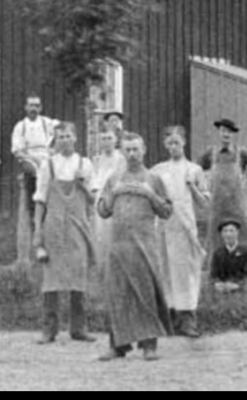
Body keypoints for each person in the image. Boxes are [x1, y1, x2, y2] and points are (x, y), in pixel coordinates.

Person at [95, 132, 173, 362]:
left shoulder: (154, 179)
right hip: (119, 247)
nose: (131, 154)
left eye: (135, 149)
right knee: (118, 296)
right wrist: (113, 193)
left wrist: (151, 195)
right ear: (122, 151)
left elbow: (167, 211)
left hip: (145, 247)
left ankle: (149, 346)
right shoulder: (114, 178)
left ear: (144, 150)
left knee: (145, 293)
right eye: (127, 149)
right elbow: (102, 210)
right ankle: (118, 346)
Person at [31, 122, 97, 344]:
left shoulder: (85, 164)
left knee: (78, 276)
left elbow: (92, 200)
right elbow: (40, 200)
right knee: (52, 278)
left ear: (75, 138)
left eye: (68, 136)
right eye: (59, 137)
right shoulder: (47, 165)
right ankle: (49, 329)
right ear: (55, 140)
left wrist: (82, 185)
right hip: (54, 225)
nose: (64, 140)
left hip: (78, 226)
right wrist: (38, 232)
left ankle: (78, 328)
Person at [152, 126, 209, 338]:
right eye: (169, 143)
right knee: (166, 270)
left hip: (185, 226)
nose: (173, 147)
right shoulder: (157, 170)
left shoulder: (194, 169)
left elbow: (204, 203)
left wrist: (192, 187)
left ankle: (188, 318)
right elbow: (152, 199)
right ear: (165, 145)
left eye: (177, 142)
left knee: (186, 272)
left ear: (184, 142)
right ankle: (169, 317)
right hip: (165, 227)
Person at [196, 118, 247, 277]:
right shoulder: (211, 153)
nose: (226, 134)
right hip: (217, 203)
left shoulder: (242, 153)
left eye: (229, 132)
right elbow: (195, 169)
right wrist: (204, 187)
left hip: (237, 204)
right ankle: (215, 271)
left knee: (246, 232)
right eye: (223, 131)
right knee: (215, 233)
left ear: (233, 135)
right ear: (219, 133)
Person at [11, 97, 59, 232]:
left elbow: (63, 129)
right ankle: (35, 229)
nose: (34, 109)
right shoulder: (21, 126)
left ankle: (51, 230)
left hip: (47, 159)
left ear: (41, 108)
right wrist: (32, 160)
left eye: (37, 106)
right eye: (31, 105)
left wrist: (53, 149)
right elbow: (17, 151)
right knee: (34, 200)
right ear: (26, 107)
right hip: (30, 160)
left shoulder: (47, 123)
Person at [89, 129, 125, 281]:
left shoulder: (121, 159)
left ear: (115, 140)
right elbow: (93, 181)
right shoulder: (96, 160)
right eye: (103, 138)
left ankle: (115, 272)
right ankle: (101, 271)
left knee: (113, 234)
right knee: (99, 235)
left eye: (109, 138)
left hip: (114, 199)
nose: (106, 141)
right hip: (98, 199)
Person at [209, 221, 247, 292]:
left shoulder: (246, 251)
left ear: (237, 233)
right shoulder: (218, 253)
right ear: (221, 234)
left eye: (231, 231)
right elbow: (213, 274)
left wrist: (238, 285)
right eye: (225, 231)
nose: (228, 234)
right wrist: (217, 283)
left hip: (241, 289)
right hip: (222, 290)